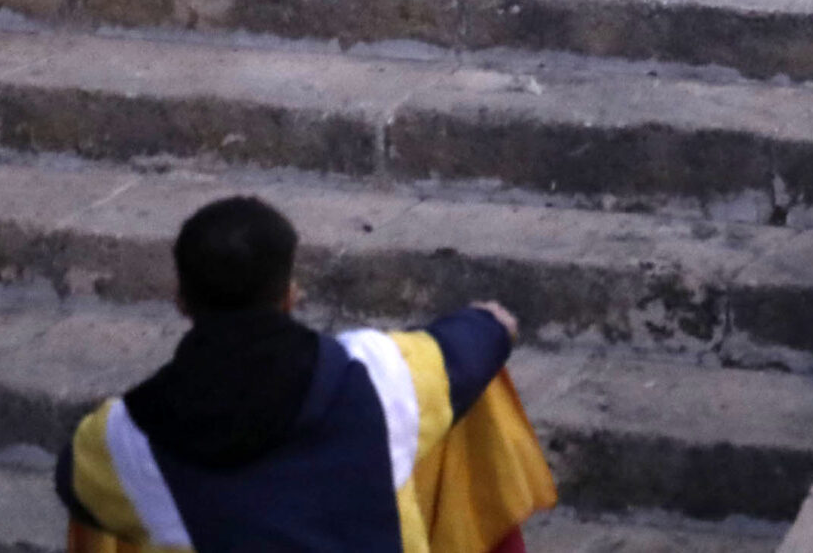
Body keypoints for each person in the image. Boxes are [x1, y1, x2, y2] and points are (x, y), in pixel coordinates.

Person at [57, 195, 553, 553]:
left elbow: (74, 484)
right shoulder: (376, 373)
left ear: (181, 300)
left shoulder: (127, 439)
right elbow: (479, 342)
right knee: (457, 400)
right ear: (290, 295)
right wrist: (489, 320)